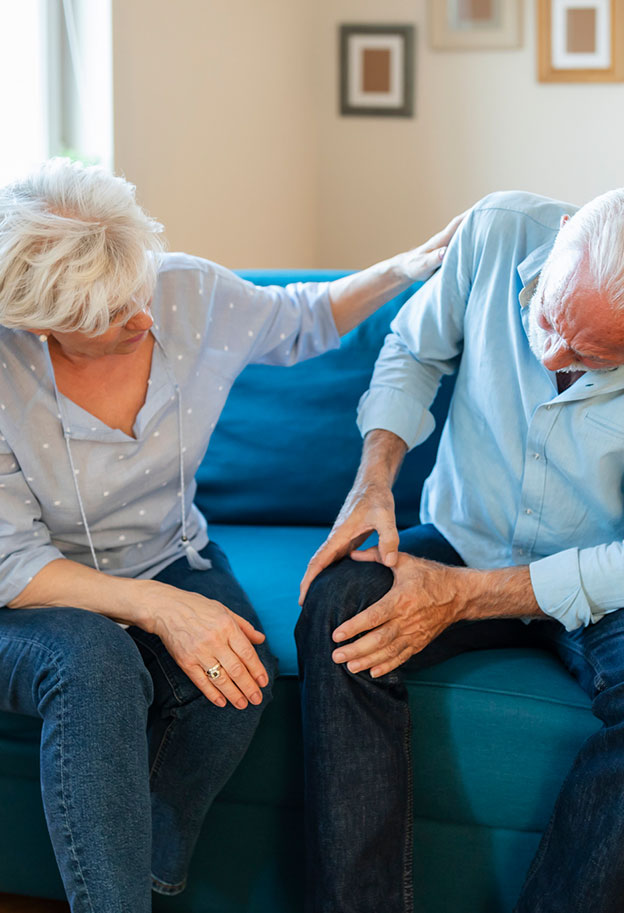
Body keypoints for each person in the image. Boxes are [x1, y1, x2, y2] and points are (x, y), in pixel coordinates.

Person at [0, 157, 461, 913]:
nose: (145, 319)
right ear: (44, 324)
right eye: (114, 317)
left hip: (169, 553)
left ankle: (136, 871)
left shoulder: (183, 292)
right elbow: (12, 562)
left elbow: (307, 317)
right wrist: (156, 610)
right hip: (32, 594)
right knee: (100, 666)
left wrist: (402, 267)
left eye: (138, 291)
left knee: (238, 680)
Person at [296, 187, 624, 913]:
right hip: (463, 536)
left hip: (603, 579)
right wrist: (373, 476)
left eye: (593, 356)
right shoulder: (499, 231)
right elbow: (414, 348)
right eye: (546, 316)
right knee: (338, 604)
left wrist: (468, 596)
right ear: (564, 234)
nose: (551, 355)